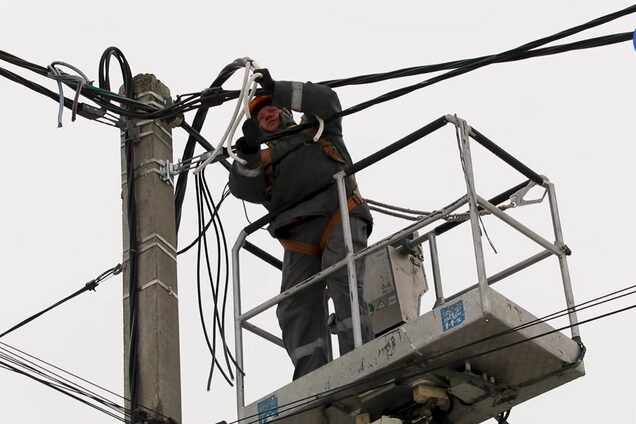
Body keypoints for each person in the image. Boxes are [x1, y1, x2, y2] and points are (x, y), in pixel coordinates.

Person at [228, 69, 374, 380]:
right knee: (294, 304)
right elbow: (244, 189)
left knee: (342, 276)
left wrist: (277, 88)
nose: (266, 115)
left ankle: (360, 359)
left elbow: (328, 100)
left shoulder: (317, 128)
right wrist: (249, 153)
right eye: (259, 115)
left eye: (271, 108)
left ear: (285, 109)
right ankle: (312, 377)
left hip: (339, 214)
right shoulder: (265, 160)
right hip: (299, 236)